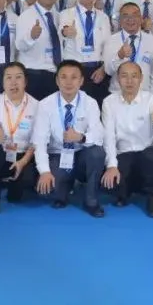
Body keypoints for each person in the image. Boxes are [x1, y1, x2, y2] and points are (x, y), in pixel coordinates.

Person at [32, 60, 107, 217]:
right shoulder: (45, 105)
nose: (68, 82)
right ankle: (65, 185)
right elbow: (39, 142)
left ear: (81, 81)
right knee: (47, 192)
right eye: (64, 77)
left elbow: (99, 135)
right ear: (57, 80)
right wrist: (44, 172)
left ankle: (91, 200)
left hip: (81, 154)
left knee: (97, 152)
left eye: (74, 77)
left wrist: (81, 137)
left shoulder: (90, 102)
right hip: (58, 154)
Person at [101, 62, 153, 218]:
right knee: (111, 186)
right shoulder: (108, 102)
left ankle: (152, 198)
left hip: (147, 153)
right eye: (124, 76)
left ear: (141, 78)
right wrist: (111, 165)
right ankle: (127, 191)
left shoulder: (151, 99)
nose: (129, 81)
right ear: (118, 78)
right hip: (123, 154)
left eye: (134, 76)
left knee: (152, 156)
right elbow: (108, 136)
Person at [0, 62, 39, 214]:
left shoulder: (37, 105)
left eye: (18, 77)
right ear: (2, 82)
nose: (13, 83)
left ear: (25, 81)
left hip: (23, 156)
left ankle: (12, 184)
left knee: (17, 195)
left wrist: (22, 162)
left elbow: (36, 142)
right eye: (8, 78)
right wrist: (0, 136)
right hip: (1, 152)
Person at [59, 0, 113, 101]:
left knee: (98, 107)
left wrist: (103, 69)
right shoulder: (66, 14)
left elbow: (108, 46)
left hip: (98, 72)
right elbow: (61, 34)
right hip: (74, 71)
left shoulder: (103, 17)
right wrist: (66, 32)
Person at [16, 0, 64, 100]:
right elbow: (19, 46)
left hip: (54, 74)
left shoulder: (58, 16)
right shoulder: (26, 16)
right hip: (33, 75)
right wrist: (31, 37)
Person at [103, 2, 153, 97]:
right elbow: (108, 70)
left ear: (141, 19)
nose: (130, 19)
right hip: (118, 95)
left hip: (144, 96)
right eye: (125, 16)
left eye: (135, 15)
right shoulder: (111, 40)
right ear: (120, 21)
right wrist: (119, 56)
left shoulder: (151, 39)